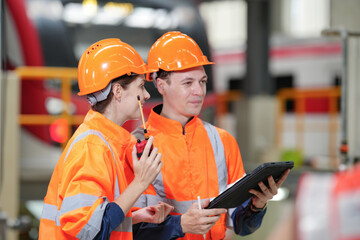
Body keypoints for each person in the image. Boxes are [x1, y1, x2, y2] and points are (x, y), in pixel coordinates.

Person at [125, 32, 290, 240]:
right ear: (161, 85)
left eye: (202, 81)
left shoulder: (222, 141)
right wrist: (182, 224)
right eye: (188, 83)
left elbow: (240, 225)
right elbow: (131, 230)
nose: (199, 91)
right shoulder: (136, 146)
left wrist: (257, 206)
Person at [39, 38, 174, 240]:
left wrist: (133, 217)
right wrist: (140, 182)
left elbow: (95, 219)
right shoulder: (92, 146)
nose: (146, 95)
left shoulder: (105, 142)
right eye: (140, 86)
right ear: (117, 91)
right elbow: (87, 228)